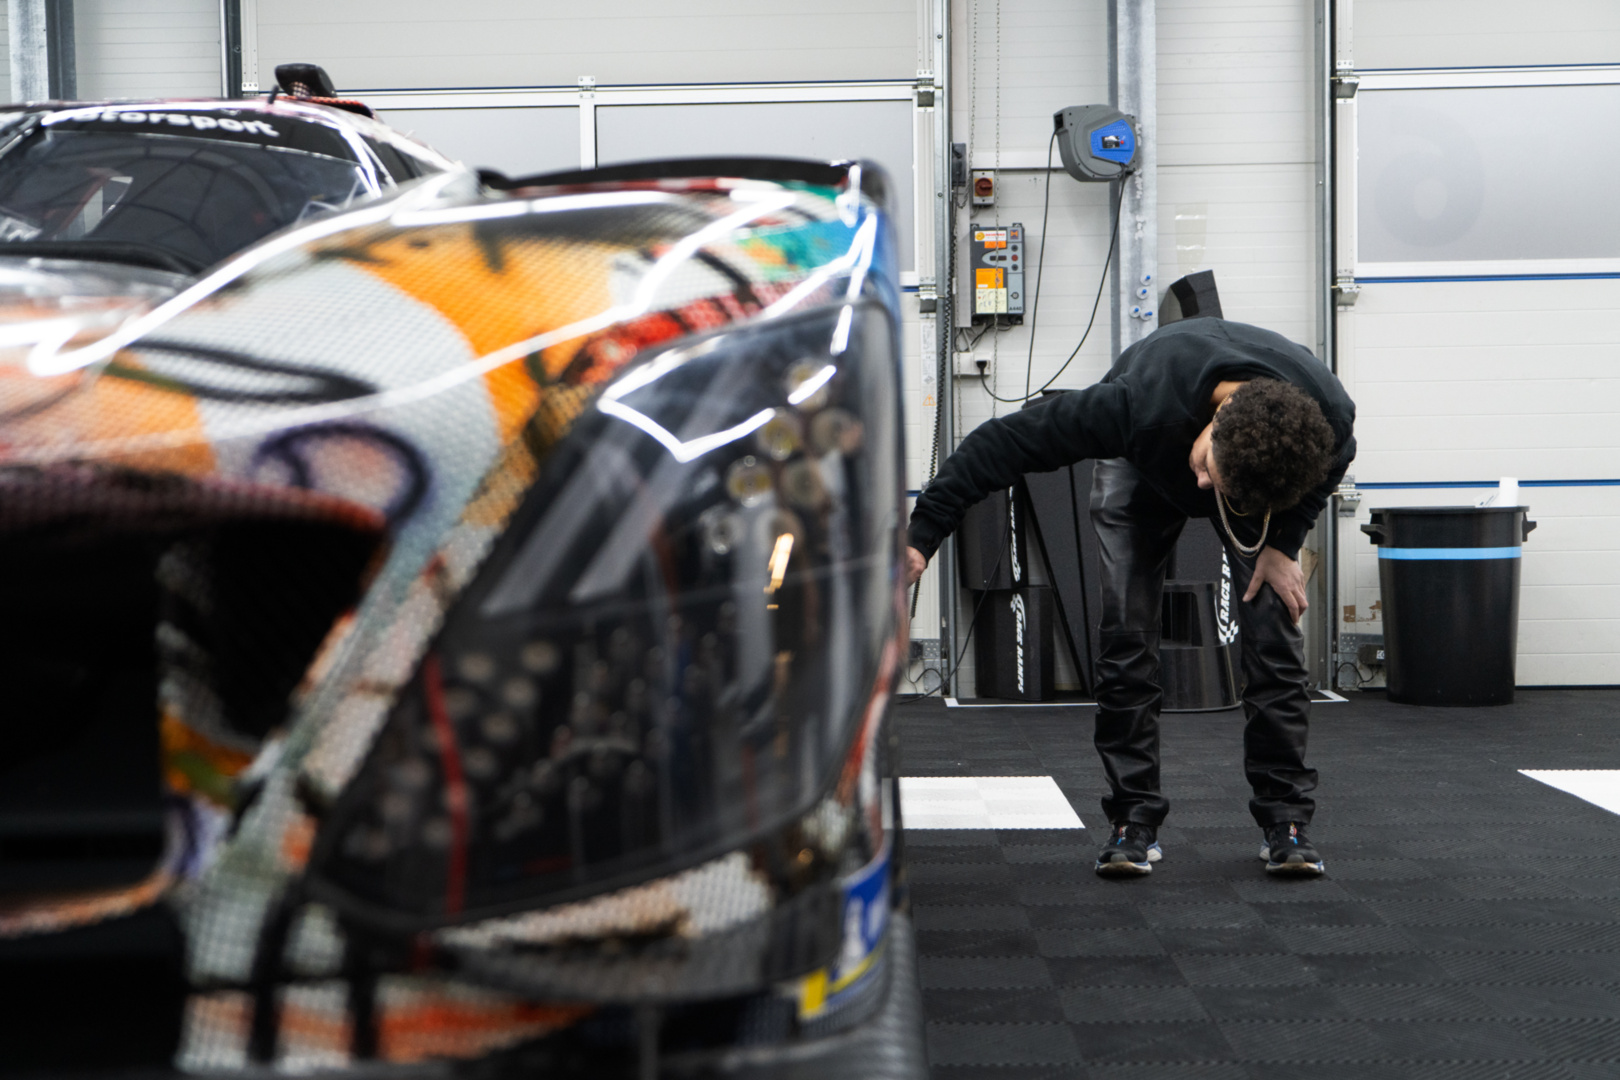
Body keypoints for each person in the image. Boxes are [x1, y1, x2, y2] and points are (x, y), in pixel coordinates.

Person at [906, 318, 1355, 877]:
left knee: (1274, 631)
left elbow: (1336, 460)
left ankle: (1286, 821)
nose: (1202, 489)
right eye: (1210, 470)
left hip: (1252, 468)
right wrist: (923, 535)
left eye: (1215, 485)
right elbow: (1003, 443)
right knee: (1126, 633)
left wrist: (1283, 544)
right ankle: (1132, 821)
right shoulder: (1134, 406)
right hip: (1143, 458)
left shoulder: (1327, 414)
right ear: (1218, 421)